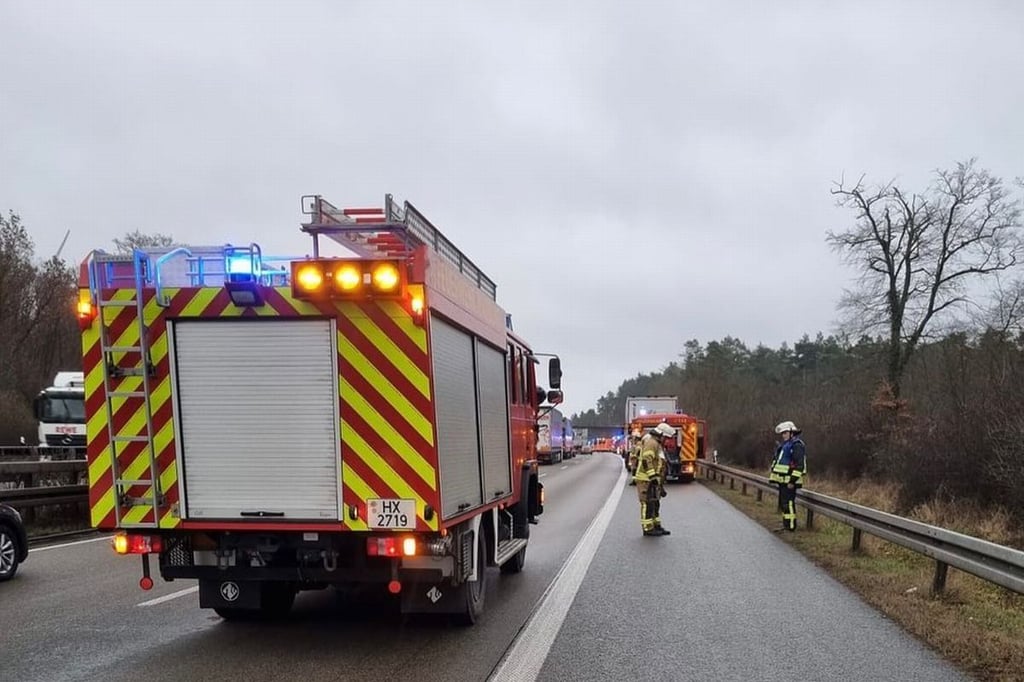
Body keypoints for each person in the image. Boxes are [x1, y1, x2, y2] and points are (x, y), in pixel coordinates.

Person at [635, 422, 675, 536]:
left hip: (653, 479)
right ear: (661, 434)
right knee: (647, 503)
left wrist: (659, 483)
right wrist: (652, 476)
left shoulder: (657, 444)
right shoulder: (651, 443)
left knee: (655, 503)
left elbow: (658, 462)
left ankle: (656, 525)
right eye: (666, 437)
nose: (666, 440)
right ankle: (647, 528)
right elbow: (646, 460)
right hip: (645, 479)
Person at [769, 420, 806, 532]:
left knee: (789, 504)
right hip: (783, 481)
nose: (783, 435)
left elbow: (799, 466)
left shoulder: (797, 445)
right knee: (784, 504)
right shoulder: (785, 445)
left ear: (791, 433)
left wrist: (792, 481)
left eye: (785, 433)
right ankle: (786, 525)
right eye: (782, 433)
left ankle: (790, 526)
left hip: (790, 482)